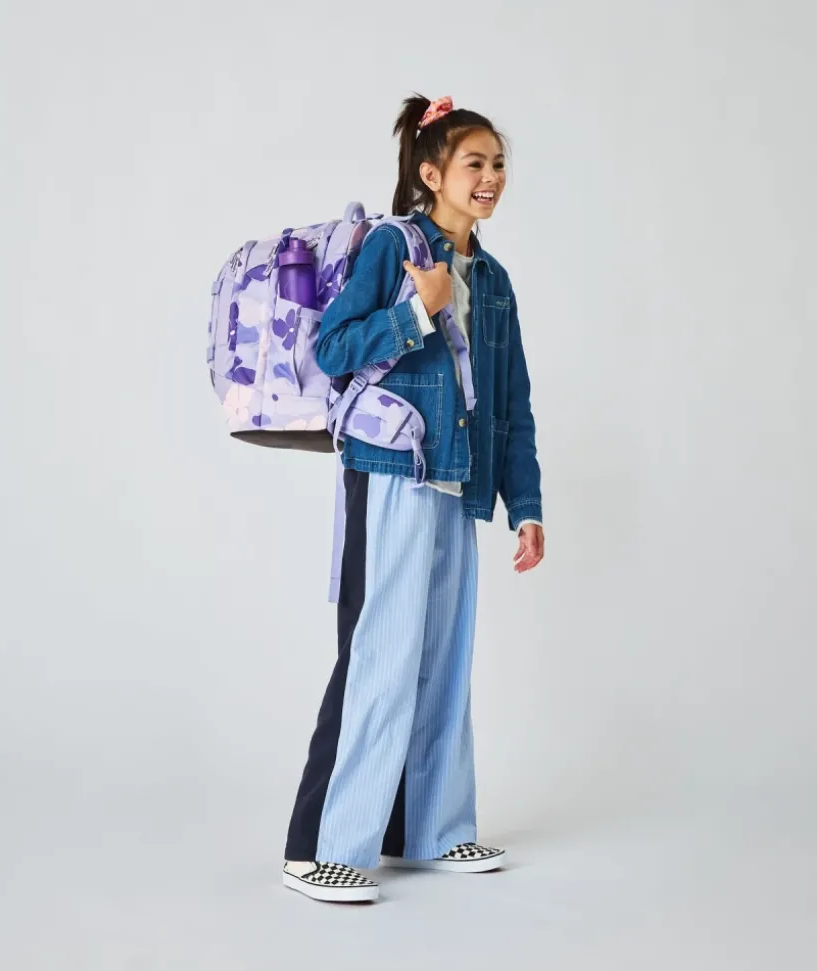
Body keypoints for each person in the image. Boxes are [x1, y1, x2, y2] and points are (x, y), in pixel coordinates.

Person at [281, 94, 545, 904]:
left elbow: (512, 402)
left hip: (457, 483)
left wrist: (526, 504)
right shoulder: (394, 246)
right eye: (475, 163)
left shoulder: (492, 280)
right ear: (431, 174)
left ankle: (431, 829)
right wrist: (415, 311)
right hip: (390, 471)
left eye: (498, 163)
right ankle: (322, 848)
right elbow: (332, 347)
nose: (491, 177)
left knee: (443, 659)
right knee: (380, 653)